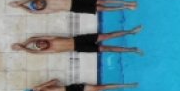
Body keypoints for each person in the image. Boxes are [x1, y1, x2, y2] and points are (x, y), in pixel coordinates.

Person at [11, 26, 142, 55]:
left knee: (107, 35)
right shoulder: (49, 50)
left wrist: (22, 44)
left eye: (40, 42)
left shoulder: (51, 39)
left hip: (80, 39)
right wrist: (23, 48)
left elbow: (33, 39)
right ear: (41, 48)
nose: (41, 43)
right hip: (79, 47)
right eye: (40, 45)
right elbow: (34, 52)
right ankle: (132, 50)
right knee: (107, 48)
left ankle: (131, 32)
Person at [9, 0, 137, 16]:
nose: (38, 3)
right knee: (101, 8)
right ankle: (125, 7)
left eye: (37, 2)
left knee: (102, 1)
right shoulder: (47, 10)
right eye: (37, 5)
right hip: (74, 7)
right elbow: (31, 12)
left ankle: (127, 3)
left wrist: (20, 2)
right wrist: (20, 6)